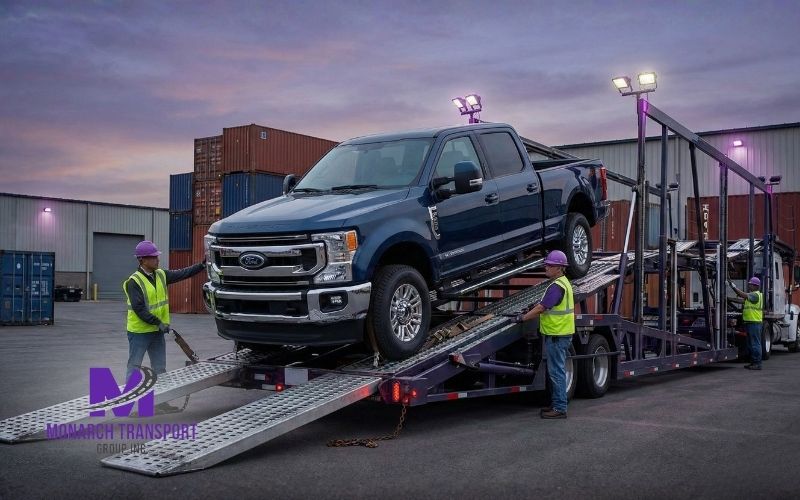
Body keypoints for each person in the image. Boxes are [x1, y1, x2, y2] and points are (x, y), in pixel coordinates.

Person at [123, 240, 206, 413]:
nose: (157, 259)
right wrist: (158, 323)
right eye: (153, 257)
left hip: (157, 332)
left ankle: (160, 402)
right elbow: (139, 309)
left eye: (157, 256)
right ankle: (128, 405)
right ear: (142, 260)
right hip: (139, 333)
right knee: (135, 367)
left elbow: (183, 273)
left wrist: (202, 266)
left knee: (159, 368)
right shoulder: (134, 282)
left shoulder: (161, 275)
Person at [516, 250, 574, 419]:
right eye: (546, 264)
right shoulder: (563, 282)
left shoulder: (557, 286)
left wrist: (523, 318)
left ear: (559, 268)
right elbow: (544, 304)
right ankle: (557, 404)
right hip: (560, 334)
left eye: (549, 265)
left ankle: (560, 408)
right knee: (556, 371)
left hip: (557, 335)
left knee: (556, 372)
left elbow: (542, 308)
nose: (546, 267)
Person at [729, 276, 763, 370]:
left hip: (754, 322)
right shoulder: (752, 295)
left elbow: (742, 295)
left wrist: (733, 286)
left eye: (751, 284)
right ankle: (753, 362)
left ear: (756, 286)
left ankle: (757, 363)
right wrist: (729, 299)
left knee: (755, 344)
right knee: (751, 344)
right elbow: (741, 300)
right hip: (750, 322)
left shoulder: (755, 295)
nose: (749, 286)